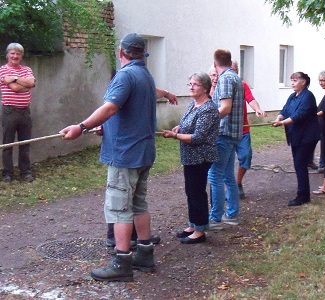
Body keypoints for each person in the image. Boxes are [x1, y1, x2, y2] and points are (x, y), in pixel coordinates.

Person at [60, 33, 157, 282]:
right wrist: (106, 126)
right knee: (138, 204)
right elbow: (127, 111)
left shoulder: (125, 75)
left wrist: (80, 127)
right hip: (142, 151)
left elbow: (111, 107)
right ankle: (145, 254)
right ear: (142, 53)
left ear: (121, 52)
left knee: (119, 208)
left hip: (125, 154)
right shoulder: (145, 75)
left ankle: (122, 262)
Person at [105, 87, 178, 249]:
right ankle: (120, 241)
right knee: (121, 200)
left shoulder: (139, 79)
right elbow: (110, 112)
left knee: (130, 199)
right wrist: (88, 126)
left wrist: (166, 94)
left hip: (136, 152)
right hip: (126, 153)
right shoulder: (128, 80)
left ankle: (137, 246)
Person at [162, 72, 219, 244]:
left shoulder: (208, 108)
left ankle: (200, 230)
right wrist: (179, 127)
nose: (191, 87)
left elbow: (198, 137)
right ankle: (193, 224)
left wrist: (174, 136)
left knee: (197, 192)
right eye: (190, 84)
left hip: (201, 157)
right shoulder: (193, 104)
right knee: (191, 191)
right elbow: (187, 124)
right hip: (189, 156)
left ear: (205, 88)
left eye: (195, 84)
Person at [272, 72, 320, 206]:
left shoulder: (308, 96)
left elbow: (300, 114)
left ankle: (303, 196)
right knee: (299, 165)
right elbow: (285, 110)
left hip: (307, 136)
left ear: (303, 82)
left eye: (295, 80)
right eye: (291, 80)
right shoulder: (293, 96)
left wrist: (282, 123)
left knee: (300, 165)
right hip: (295, 136)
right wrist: (279, 118)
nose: (292, 83)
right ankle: (303, 195)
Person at [208, 49, 244, 229]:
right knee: (228, 176)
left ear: (215, 64)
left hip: (223, 133)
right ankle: (232, 214)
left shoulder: (225, 79)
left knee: (215, 175)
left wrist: (207, 121)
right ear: (229, 62)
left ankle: (215, 218)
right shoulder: (236, 77)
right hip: (233, 134)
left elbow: (225, 107)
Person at [0, 43, 36, 183]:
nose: (15, 56)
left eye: (18, 54)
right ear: (7, 54)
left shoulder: (27, 69)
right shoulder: (3, 70)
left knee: (25, 143)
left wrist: (14, 78)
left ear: (21, 56)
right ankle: (7, 173)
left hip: (25, 111)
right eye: (12, 53)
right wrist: (24, 85)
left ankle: (26, 172)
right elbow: (15, 88)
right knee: (8, 144)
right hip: (10, 111)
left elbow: (31, 83)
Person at [231, 60, 265, 199]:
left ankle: (237, 183)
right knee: (223, 162)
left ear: (238, 71)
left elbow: (250, 99)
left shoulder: (242, 85)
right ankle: (227, 187)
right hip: (224, 131)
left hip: (242, 130)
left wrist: (257, 109)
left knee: (245, 157)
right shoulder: (217, 85)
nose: (230, 73)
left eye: (233, 70)